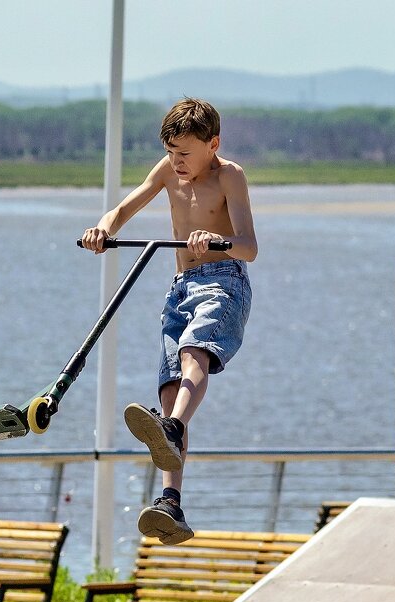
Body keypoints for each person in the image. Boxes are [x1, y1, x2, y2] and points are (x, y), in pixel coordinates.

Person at [81, 98, 257, 544]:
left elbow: (249, 247)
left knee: (193, 351)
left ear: (212, 144)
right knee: (169, 387)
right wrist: (104, 228)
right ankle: (171, 503)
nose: (176, 162)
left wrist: (218, 241)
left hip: (223, 281)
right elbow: (122, 209)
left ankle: (173, 427)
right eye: (171, 152)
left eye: (185, 154)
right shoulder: (166, 171)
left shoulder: (229, 176)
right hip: (180, 287)